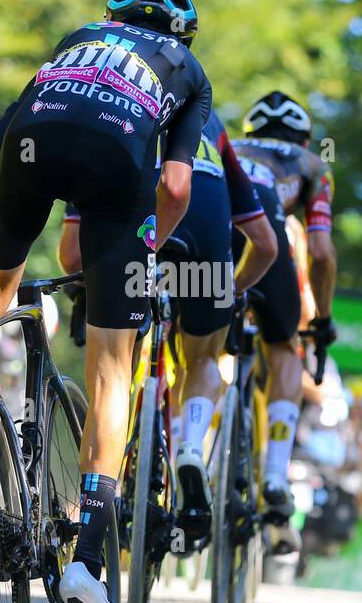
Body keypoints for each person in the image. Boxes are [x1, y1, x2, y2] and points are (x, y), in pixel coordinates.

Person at [0, 0, 211, 603]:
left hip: (38, 148)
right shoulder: (187, 70)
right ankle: (88, 556)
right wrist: (148, 245)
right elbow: (175, 183)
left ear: (109, 18)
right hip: (119, 167)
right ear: (179, 34)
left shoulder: (75, 45)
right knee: (113, 370)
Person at [59, 110, 278, 548]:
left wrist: (92, 282)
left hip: (138, 229)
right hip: (206, 235)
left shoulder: (109, 101)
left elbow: (70, 258)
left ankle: (102, 487)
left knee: (115, 370)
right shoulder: (211, 124)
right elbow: (266, 244)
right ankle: (191, 448)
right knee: (202, 358)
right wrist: (230, 291)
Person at [228, 91, 337, 532]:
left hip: (213, 229)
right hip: (267, 241)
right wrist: (324, 321)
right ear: (305, 141)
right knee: (284, 349)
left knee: (196, 341)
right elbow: (323, 252)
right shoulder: (313, 166)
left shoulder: (230, 147)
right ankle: (275, 472)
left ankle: (183, 447)